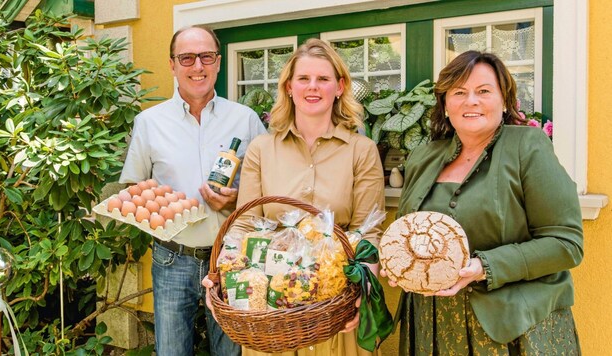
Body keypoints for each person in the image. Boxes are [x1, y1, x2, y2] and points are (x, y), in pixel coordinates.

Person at [381, 50, 583, 355]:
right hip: (431, 323)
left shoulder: (528, 147)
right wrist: (399, 261)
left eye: (484, 91)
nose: (470, 100)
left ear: (505, 101)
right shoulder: (424, 156)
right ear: (446, 105)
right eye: (459, 92)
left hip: (511, 326)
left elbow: (566, 244)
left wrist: (483, 267)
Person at [203, 38, 388, 355]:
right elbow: (246, 223)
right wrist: (222, 270)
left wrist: (363, 291)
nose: (312, 87)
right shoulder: (263, 148)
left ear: (340, 86)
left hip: (336, 304)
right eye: (303, 78)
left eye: (323, 79)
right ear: (289, 87)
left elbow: (368, 232)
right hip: (273, 312)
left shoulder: (362, 150)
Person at [119, 25, 267, 355]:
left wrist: (236, 200)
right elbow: (133, 187)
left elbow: (266, 188)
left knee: (231, 351)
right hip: (172, 257)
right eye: (187, 58)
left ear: (217, 62)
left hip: (232, 258)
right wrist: (158, 206)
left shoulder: (246, 120)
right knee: (172, 350)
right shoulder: (149, 122)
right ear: (172, 65)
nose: (197, 66)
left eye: (206, 57)